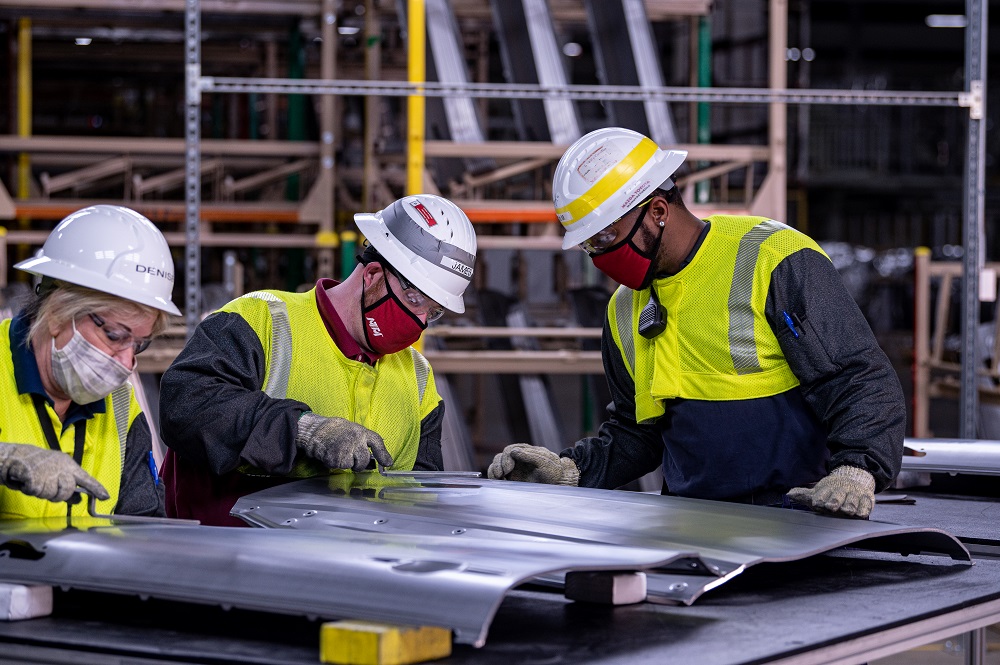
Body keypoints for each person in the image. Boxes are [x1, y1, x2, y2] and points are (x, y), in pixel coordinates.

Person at [488, 127, 905, 519]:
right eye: (587, 245)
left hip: (799, 521)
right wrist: (570, 472)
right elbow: (637, 432)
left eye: (604, 238)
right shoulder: (622, 311)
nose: (597, 257)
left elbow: (858, 378)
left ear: (657, 211)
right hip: (692, 525)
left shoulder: (772, 258)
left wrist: (857, 469)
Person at [158, 194, 477, 526]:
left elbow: (421, 499)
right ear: (372, 276)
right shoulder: (261, 320)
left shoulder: (417, 376)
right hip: (225, 564)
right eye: (415, 299)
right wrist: (301, 429)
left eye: (435, 311)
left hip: (344, 570)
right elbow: (186, 405)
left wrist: (506, 485)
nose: (422, 320)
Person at [0, 204, 178, 519]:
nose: (126, 363)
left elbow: (144, 528)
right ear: (56, 314)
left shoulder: (122, 409)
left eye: (139, 343)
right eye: (114, 335)